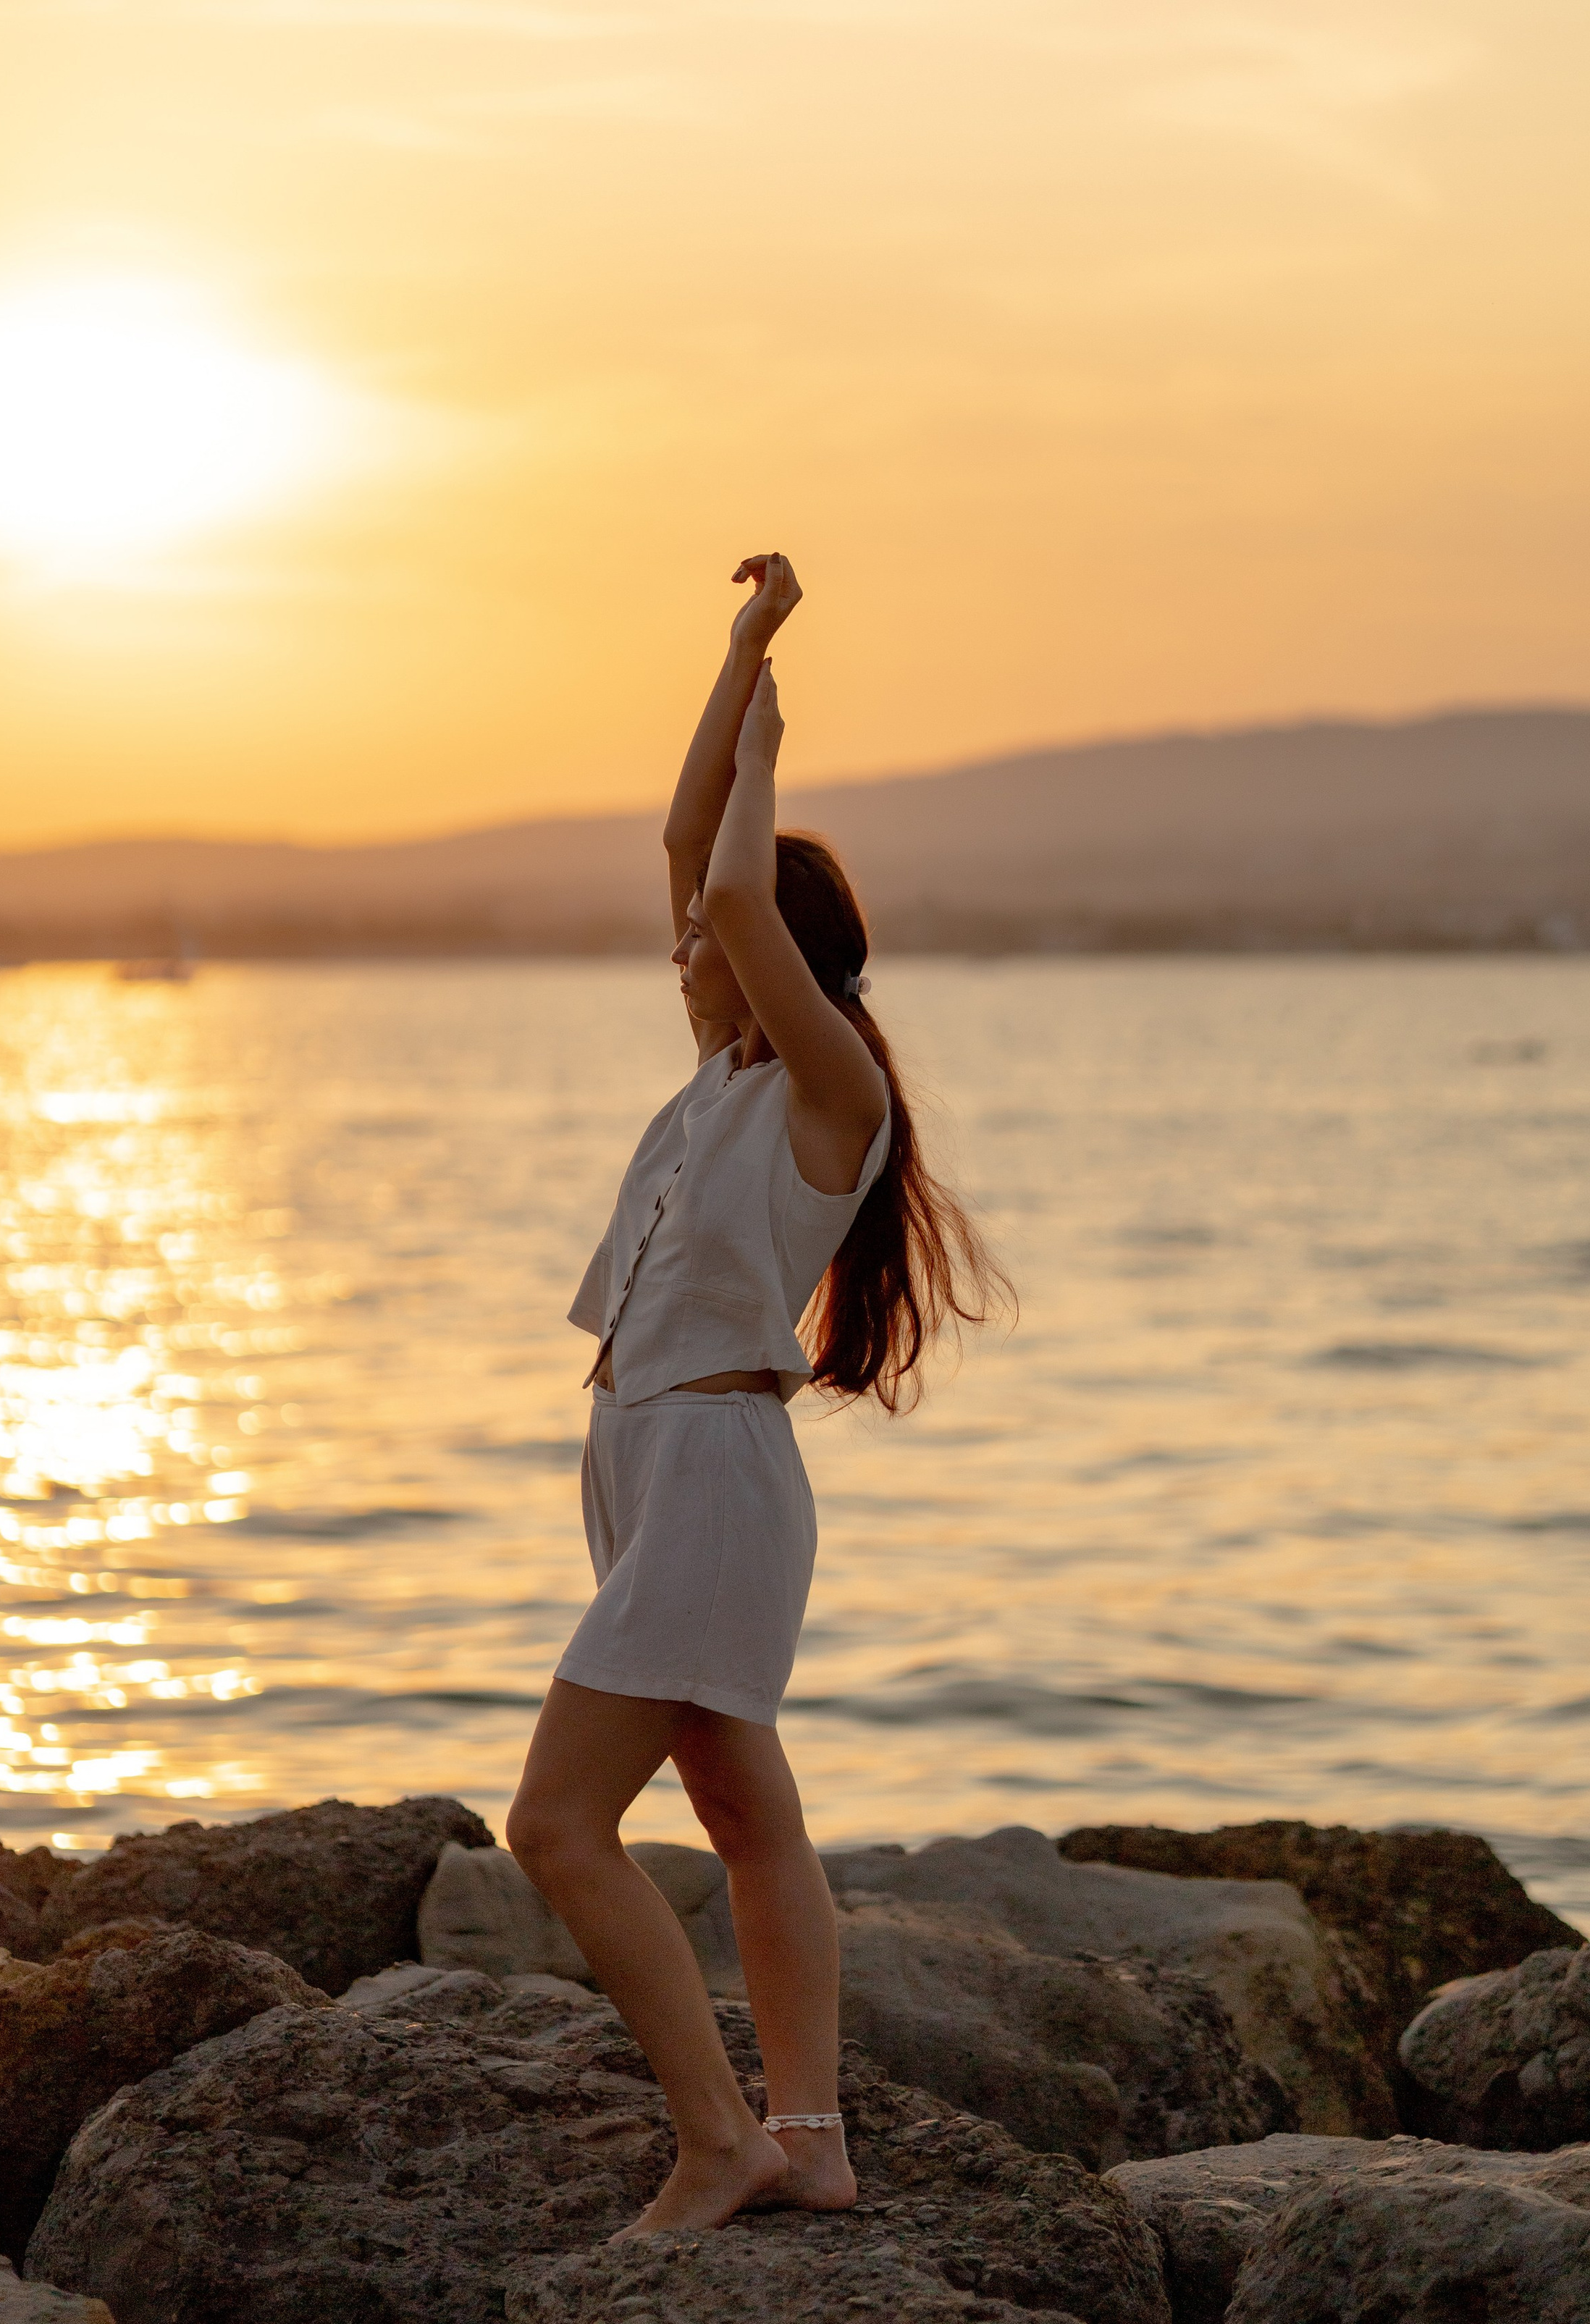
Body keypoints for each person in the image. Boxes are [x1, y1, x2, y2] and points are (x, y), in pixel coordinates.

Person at [507, 551, 1007, 2235]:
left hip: (714, 1468)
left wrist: (775, 768)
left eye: (717, 942)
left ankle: (718, 2137)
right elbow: (686, 857)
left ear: (777, 958)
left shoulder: (830, 1091)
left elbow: (725, 894)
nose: (681, 949)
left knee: (557, 1828)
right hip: (649, 1465)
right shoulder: (718, 1079)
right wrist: (734, 664)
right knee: (741, 1814)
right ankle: (811, 2139)